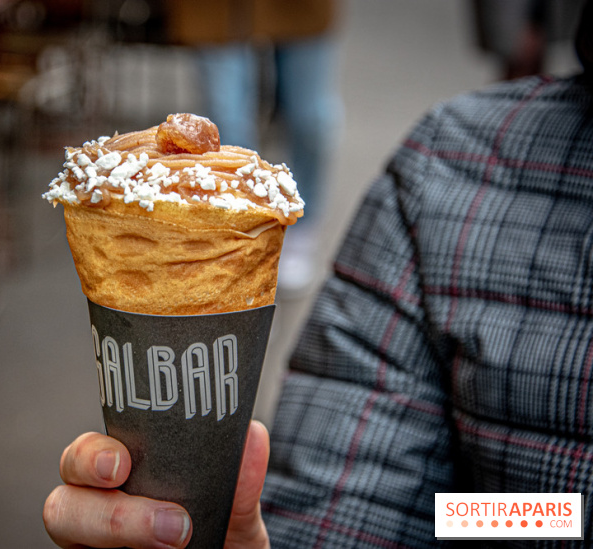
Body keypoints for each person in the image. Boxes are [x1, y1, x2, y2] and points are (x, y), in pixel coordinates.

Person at [43, 2, 593, 546]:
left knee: (309, 113)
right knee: (233, 108)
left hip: (298, 15)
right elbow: (378, 508)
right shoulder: (451, 173)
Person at [165, 0, 344, 294]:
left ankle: (301, 221)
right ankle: (240, 233)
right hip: (216, 11)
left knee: (311, 119)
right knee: (226, 124)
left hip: (303, 11)